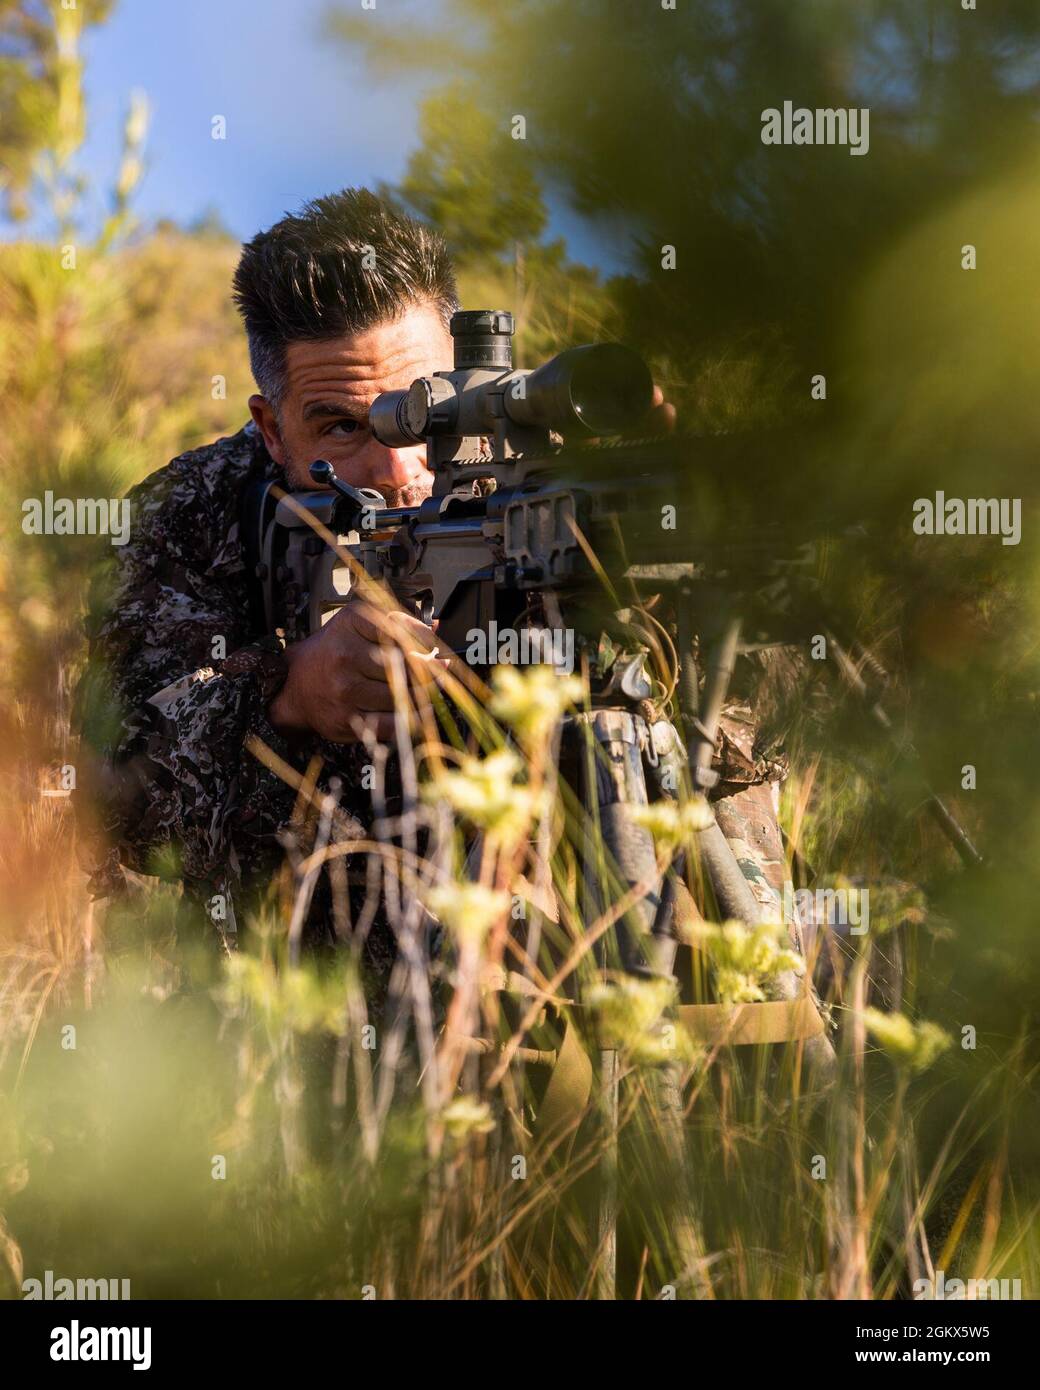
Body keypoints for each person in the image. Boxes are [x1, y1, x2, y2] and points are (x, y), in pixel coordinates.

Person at [74, 186, 789, 981]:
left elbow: (764, 730)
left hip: (617, 918)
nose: (400, 469)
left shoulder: (548, 468)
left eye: (424, 414)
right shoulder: (186, 514)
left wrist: (663, 588)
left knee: (767, 1014)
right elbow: (114, 801)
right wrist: (290, 694)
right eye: (344, 427)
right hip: (320, 999)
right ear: (272, 427)